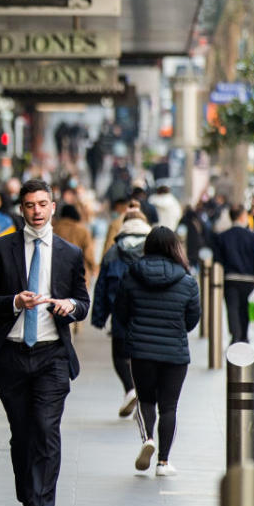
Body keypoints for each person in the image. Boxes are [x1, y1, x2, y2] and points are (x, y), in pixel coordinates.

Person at [0, 179, 90, 506]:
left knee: (45, 428)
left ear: (53, 206)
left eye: (42, 204)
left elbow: (83, 302)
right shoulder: (1, 248)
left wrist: (69, 306)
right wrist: (14, 301)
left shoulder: (69, 253)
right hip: (11, 353)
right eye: (29, 205)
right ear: (21, 209)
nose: (36, 211)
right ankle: (28, 502)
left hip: (52, 354)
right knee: (22, 434)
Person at [114, 226, 200, 476]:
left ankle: (147, 439)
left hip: (141, 351)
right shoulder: (187, 281)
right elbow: (192, 319)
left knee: (146, 400)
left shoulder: (132, 275)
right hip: (175, 353)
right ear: (176, 247)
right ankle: (163, 462)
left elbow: (121, 312)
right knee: (169, 407)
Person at [91, 211, 152, 417]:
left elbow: (101, 287)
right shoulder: (154, 249)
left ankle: (130, 389)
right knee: (143, 356)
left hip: (120, 312)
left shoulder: (113, 251)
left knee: (119, 355)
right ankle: (143, 395)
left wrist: (99, 317)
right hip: (147, 312)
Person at [214, 205, 254, 344]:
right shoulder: (252, 236)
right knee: (245, 307)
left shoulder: (223, 237)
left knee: (232, 308)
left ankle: (235, 334)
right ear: (242, 216)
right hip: (249, 279)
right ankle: (244, 335)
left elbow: (218, 259)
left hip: (230, 278)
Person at [52, 204, 97, 280]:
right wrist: (93, 267)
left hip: (57, 270)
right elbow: (88, 253)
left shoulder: (54, 229)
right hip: (78, 270)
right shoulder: (82, 230)